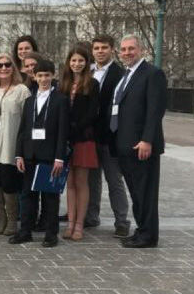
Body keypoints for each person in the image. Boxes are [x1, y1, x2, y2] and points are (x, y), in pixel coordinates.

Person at [111, 35, 166, 248]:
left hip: (141, 146)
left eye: (131, 49)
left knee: (146, 192)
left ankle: (149, 236)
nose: (126, 53)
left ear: (140, 49)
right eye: (123, 49)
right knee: (136, 192)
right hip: (125, 145)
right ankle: (142, 230)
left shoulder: (152, 73)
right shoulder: (126, 75)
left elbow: (155, 111)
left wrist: (147, 140)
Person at [11, 59, 69, 248]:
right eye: (40, 75)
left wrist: (59, 157)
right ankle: (25, 231)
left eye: (47, 75)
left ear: (53, 76)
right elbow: (23, 129)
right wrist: (19, 154)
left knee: (50, 197)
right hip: (29, 155)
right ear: (34, 77)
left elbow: (63, 131)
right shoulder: (29, 101)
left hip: (49, 156)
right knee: (27, 195)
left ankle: (51, 233)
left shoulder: (61, 100)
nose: (43, 79)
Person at [85, 35, 131, 237]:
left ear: (112, 50)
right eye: (96, 48)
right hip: (90, 137)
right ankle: (91, 216)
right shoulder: (88, 72)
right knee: (92, 181)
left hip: (110, 137)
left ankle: (122, 220)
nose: (100, 51)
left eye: (104, 47)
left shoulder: (120, 74)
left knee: (115, 181)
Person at [0, 53, 31, 236]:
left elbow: (27, 121)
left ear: (13, 67)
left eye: (7, 65)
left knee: (9, 183)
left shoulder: (22, 91)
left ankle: (12, 220)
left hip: (11, 144)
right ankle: (0, 218)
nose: (3, 68)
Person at [59, 47, 99, 242]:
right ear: (68, 62)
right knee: (70, 183)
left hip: (83, 138)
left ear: (86, 63)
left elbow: (92, 113)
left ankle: (79, 225)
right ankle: (70, 221)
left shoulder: (92, 84)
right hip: (66, 139)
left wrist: (74, 129)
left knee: (81, 183)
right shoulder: (63, 84)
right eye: (73, 60)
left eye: (81, 61)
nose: (77, 64)